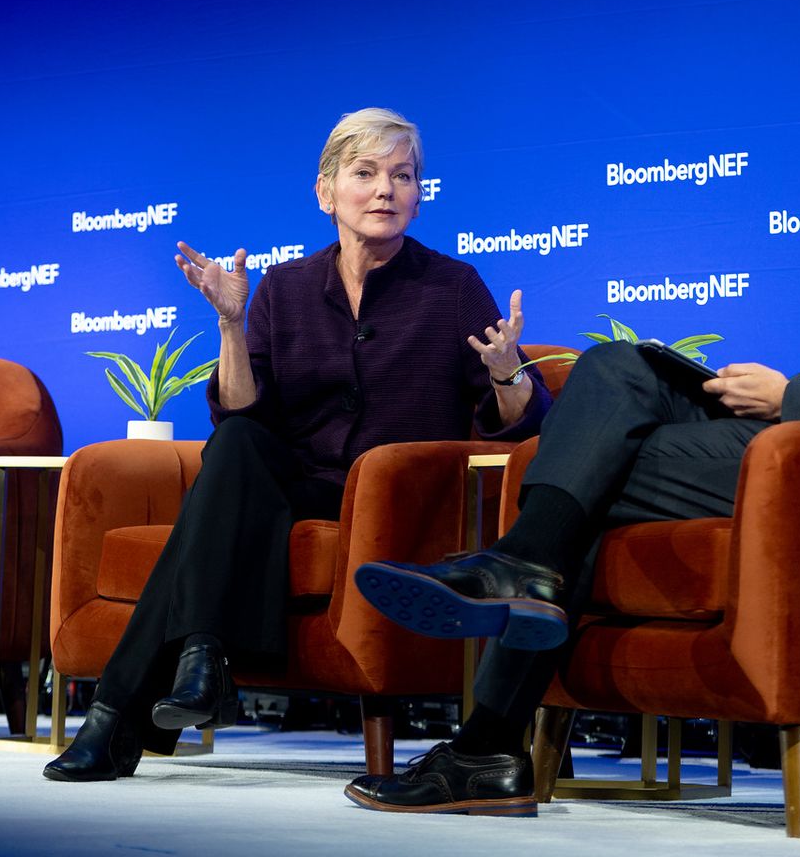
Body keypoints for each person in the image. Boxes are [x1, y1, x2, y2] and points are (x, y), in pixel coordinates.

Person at [348, 50, 800, 816]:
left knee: (591, 475)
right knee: (620, 369)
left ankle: (493, 725)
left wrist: (793, 397)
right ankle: (520, 602)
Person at [45, 107, 551, 781]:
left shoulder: (452, 288)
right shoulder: (284, 289)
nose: (385, 190)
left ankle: (137, 703)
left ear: (419, 195)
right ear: (326, 192)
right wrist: (230, 323)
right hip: (297, 481)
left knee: (218, 492)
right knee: (236, 446)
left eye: (402, 176)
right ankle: (193, 663)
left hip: (391, 499)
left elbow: (517, 421)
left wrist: (506, 370)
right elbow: (241, 413)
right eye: (366, 173)